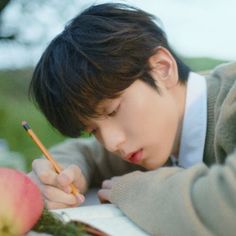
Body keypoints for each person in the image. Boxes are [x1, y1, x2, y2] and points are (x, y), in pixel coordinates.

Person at [28, 3, 236, 236]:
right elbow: (86, 155)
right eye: (93, 130)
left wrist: (136, 191)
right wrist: (57, 178)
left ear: (162, 68)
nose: (111, 142)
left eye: (113, 111)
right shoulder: (157, 135)